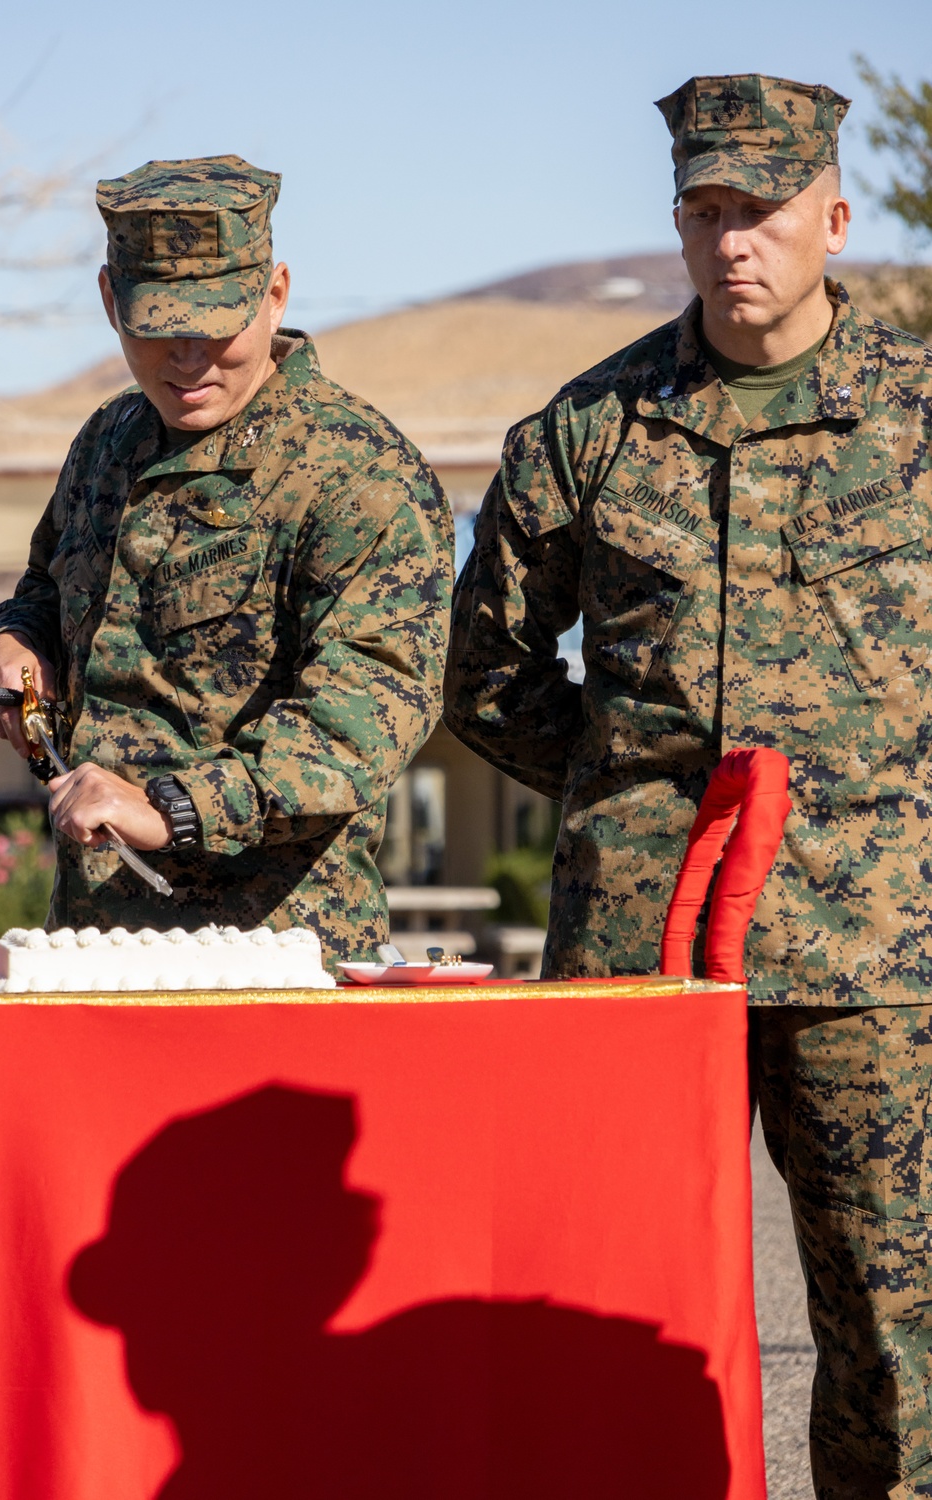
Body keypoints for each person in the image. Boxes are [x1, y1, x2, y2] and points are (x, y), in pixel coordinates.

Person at [444, 74, 932, 1499]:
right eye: (705, 210)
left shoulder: (916, 423)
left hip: (874, 943)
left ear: (833, 219)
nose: (734, 241)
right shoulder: (588, 431)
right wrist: (630, 793)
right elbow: (485, 674)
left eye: (764, 210)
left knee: (894, 1319)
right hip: (640, 948)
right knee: (616, 1295)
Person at [0, 156, 453, 967]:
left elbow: (369, 713)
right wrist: (14, 640)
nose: (188, 359)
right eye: (156, 327)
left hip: (276, 950)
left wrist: (172, 805)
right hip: (96, 944)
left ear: (275, 294)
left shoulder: (359, 475)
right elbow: (47, 589)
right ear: (109, 302)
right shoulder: (107, 443)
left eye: (216, 324)